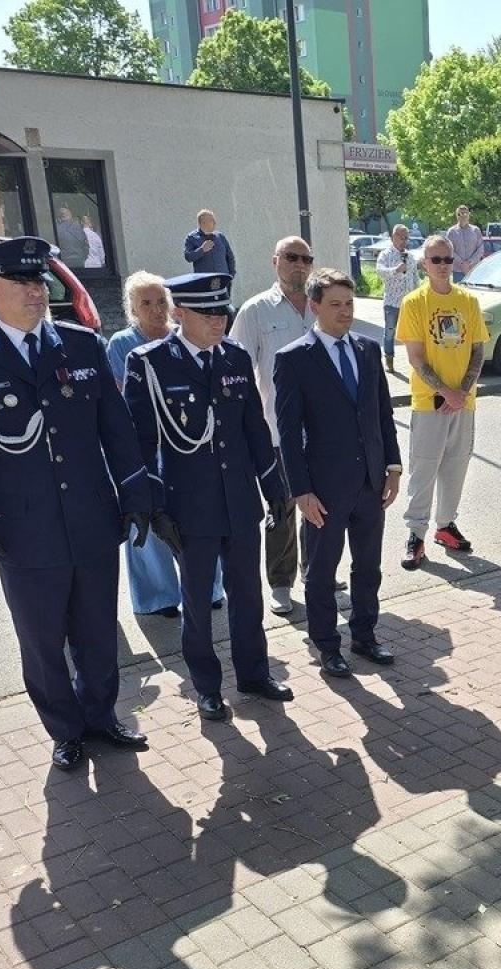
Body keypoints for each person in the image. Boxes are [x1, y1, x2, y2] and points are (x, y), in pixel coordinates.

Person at [0, 236, 154, 771]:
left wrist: (137, 494)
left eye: (40, 281)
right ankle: (65, 729)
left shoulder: (80, 344)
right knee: (42, 640)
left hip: (92, 519)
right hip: (24, 529)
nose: (36, 292)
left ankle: (101, 716)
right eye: (22, 282)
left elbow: (117, 429)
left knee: (98, 631)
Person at [124, 272, 293, 721]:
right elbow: (142, 443)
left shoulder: (235, 357)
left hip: (239, 501)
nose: (219, 321)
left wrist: (274, 488)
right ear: (180, 313)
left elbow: (255, 429)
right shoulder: (150, 363)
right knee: (197, 601)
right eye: (208, 314)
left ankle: (254, 673)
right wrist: (154, 505)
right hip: (188, 506)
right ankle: (207, 686)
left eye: (223, 312)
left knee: (248, 595)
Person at [274, 269, 403, 678]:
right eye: (335, 304)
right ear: (315, 306)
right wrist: (301, 491)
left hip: (371, 484)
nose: (345, 311)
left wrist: (393, 467)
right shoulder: (294, 358)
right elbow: (288, 433)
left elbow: (383, 414)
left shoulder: (367, 350)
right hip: (324, 490)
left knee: (368, 567)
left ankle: (364, 635)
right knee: (321, 572)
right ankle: (327, 646)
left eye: (349, 303)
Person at [105, 271, 225, 618]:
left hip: (187, 442)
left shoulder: (183, 338)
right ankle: (159, 597)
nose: (157, 309)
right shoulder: (122, 345)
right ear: (132, 308)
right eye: (146, 303)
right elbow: (122, 400)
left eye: (162, 301)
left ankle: (209, 588)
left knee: (199, 517)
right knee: (148, 516)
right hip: (142, 443)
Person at [227, 235, 317, 615]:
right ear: (275, 261)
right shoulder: (255, 311)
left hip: (321, 432)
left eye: (306, 259)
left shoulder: (320, 306)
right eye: (291, 257)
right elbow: (236, 368)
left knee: (321, 505)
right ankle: (281, 582)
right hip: (277, 431)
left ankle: (316, 570)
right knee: (281, 508)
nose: (299, 264)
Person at [396, 233, 488, 570]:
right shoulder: (414, 303)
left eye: (448, 259)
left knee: (455, 466)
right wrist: (445, 392)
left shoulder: (468, 301)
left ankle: (445, 526)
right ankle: (416, 534)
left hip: (464, 402)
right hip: (429, 402)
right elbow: (416, 358)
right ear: (424, 264)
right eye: (436, 260)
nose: (443, 265)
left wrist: (461, 391)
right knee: (424, 469)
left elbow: (478, 350)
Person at [375, 223, 420, 373]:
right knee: (390, 332)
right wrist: (396, 270)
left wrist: (418, 295)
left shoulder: (410, 256)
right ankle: (389, 360)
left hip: (409, 303)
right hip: (392, 302)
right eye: (402, 237)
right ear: (394, 236)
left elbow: (415, 277)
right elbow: (379, 271)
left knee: (411, 334)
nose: (404, 241)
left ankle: (414, 361)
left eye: (407, 238)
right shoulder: (386, 254)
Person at [183, 209, 236, 281]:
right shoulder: (192, 238)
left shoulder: (220, 236)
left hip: (223, 281)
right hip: (205, 283)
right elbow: (188, 257)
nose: (215, 223)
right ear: (203, 222)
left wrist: (231, 275)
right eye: (212, 220)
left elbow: (230, 257)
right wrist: (202, 250)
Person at [445, 205, 485, 283]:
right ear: (456, 216)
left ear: (469, 215)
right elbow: (449, 250)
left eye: (465, 213)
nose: (462, 216)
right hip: (458, 271)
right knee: (459, 290)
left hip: (473, 270)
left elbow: (480, 249)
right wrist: (461, 263)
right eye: (459, 214)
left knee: (473, 290)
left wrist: (469, 262)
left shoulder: (476, 230)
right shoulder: (451, 232)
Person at [54, 205, 88, 269]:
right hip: (79, 260)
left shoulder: (56, 228)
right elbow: (86, 245)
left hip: (64, 261)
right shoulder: (78, 227)